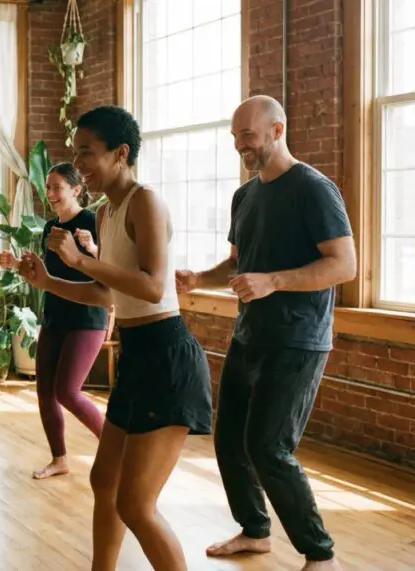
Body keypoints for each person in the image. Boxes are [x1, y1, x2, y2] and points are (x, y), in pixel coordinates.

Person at [18, 105, 212, 571]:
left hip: (167, 357)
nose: (79, 164)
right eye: (76, 153)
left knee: (136, 505)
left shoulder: (145, 201)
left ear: (121, 153)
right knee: (105, 481)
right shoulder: (106, 213)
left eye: (88, 153)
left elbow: (150, 283)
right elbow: (107, 293)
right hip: (137, 355)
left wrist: (82, 261)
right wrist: (48, 282)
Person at [176, 95, 354, 571]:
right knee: (229, 440)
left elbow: (344, 265)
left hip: (298, 340)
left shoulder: (314, 189)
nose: (239, 145)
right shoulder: (245, 195)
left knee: (268, 448)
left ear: (277, 130)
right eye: (234, 137)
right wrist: (198, 278)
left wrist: (274, 280)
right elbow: (239, 264)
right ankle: (255, 532)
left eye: (247, 136)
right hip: (249, 334)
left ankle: (321, 554)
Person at [0, 162, 109, 480]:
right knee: (45, 392)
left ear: (76, 189)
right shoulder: (49, 228)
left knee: (67, 392)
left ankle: (116, 451)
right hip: (55, 316)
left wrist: (91, 247)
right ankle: (59, 459)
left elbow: (110, 267)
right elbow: (45, 277)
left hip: (87, 319)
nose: (49, 194)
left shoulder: (91, 221)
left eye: (56, 187)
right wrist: (16, 264)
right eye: (47, 187)